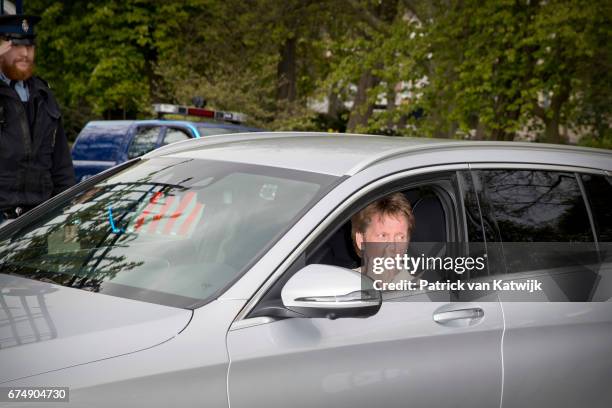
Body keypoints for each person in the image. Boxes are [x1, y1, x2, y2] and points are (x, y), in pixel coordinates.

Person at [0, 1, 75, 225]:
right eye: (16, 46)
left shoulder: (44, 95)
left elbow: (62, 168)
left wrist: (68, 216)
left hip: (39, 224)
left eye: (30, 46)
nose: (25, 53)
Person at [351, 192, 416, 284]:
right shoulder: (343, 285)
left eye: (400, 237)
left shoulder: (421, 293)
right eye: (383, 236)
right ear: (360, 240)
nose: (392, 247)